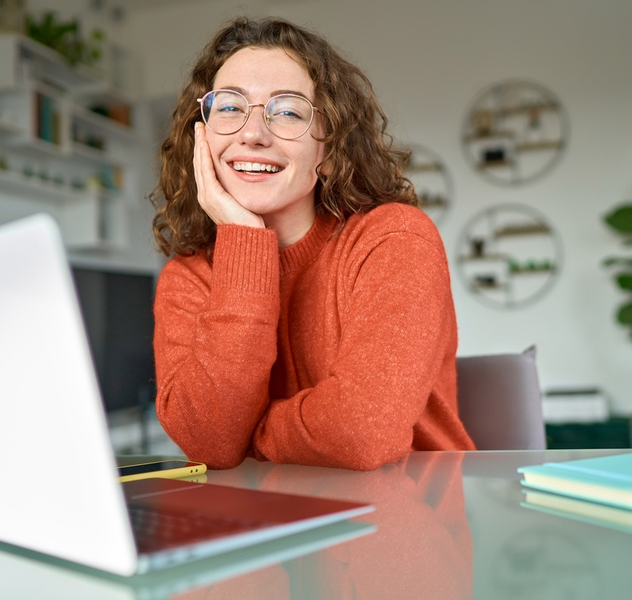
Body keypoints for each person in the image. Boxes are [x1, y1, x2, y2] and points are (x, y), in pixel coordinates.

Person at [149, 16, 475, 471]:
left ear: (330, 149)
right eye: (229, 107)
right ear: (200, 136)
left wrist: (251, 436)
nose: (253, 133)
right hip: (269, 512)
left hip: (409, 508)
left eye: (287, 112)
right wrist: (245, 242)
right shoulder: (187, 278)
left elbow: (360, 432)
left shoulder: (395, 239)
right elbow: (209, 442)